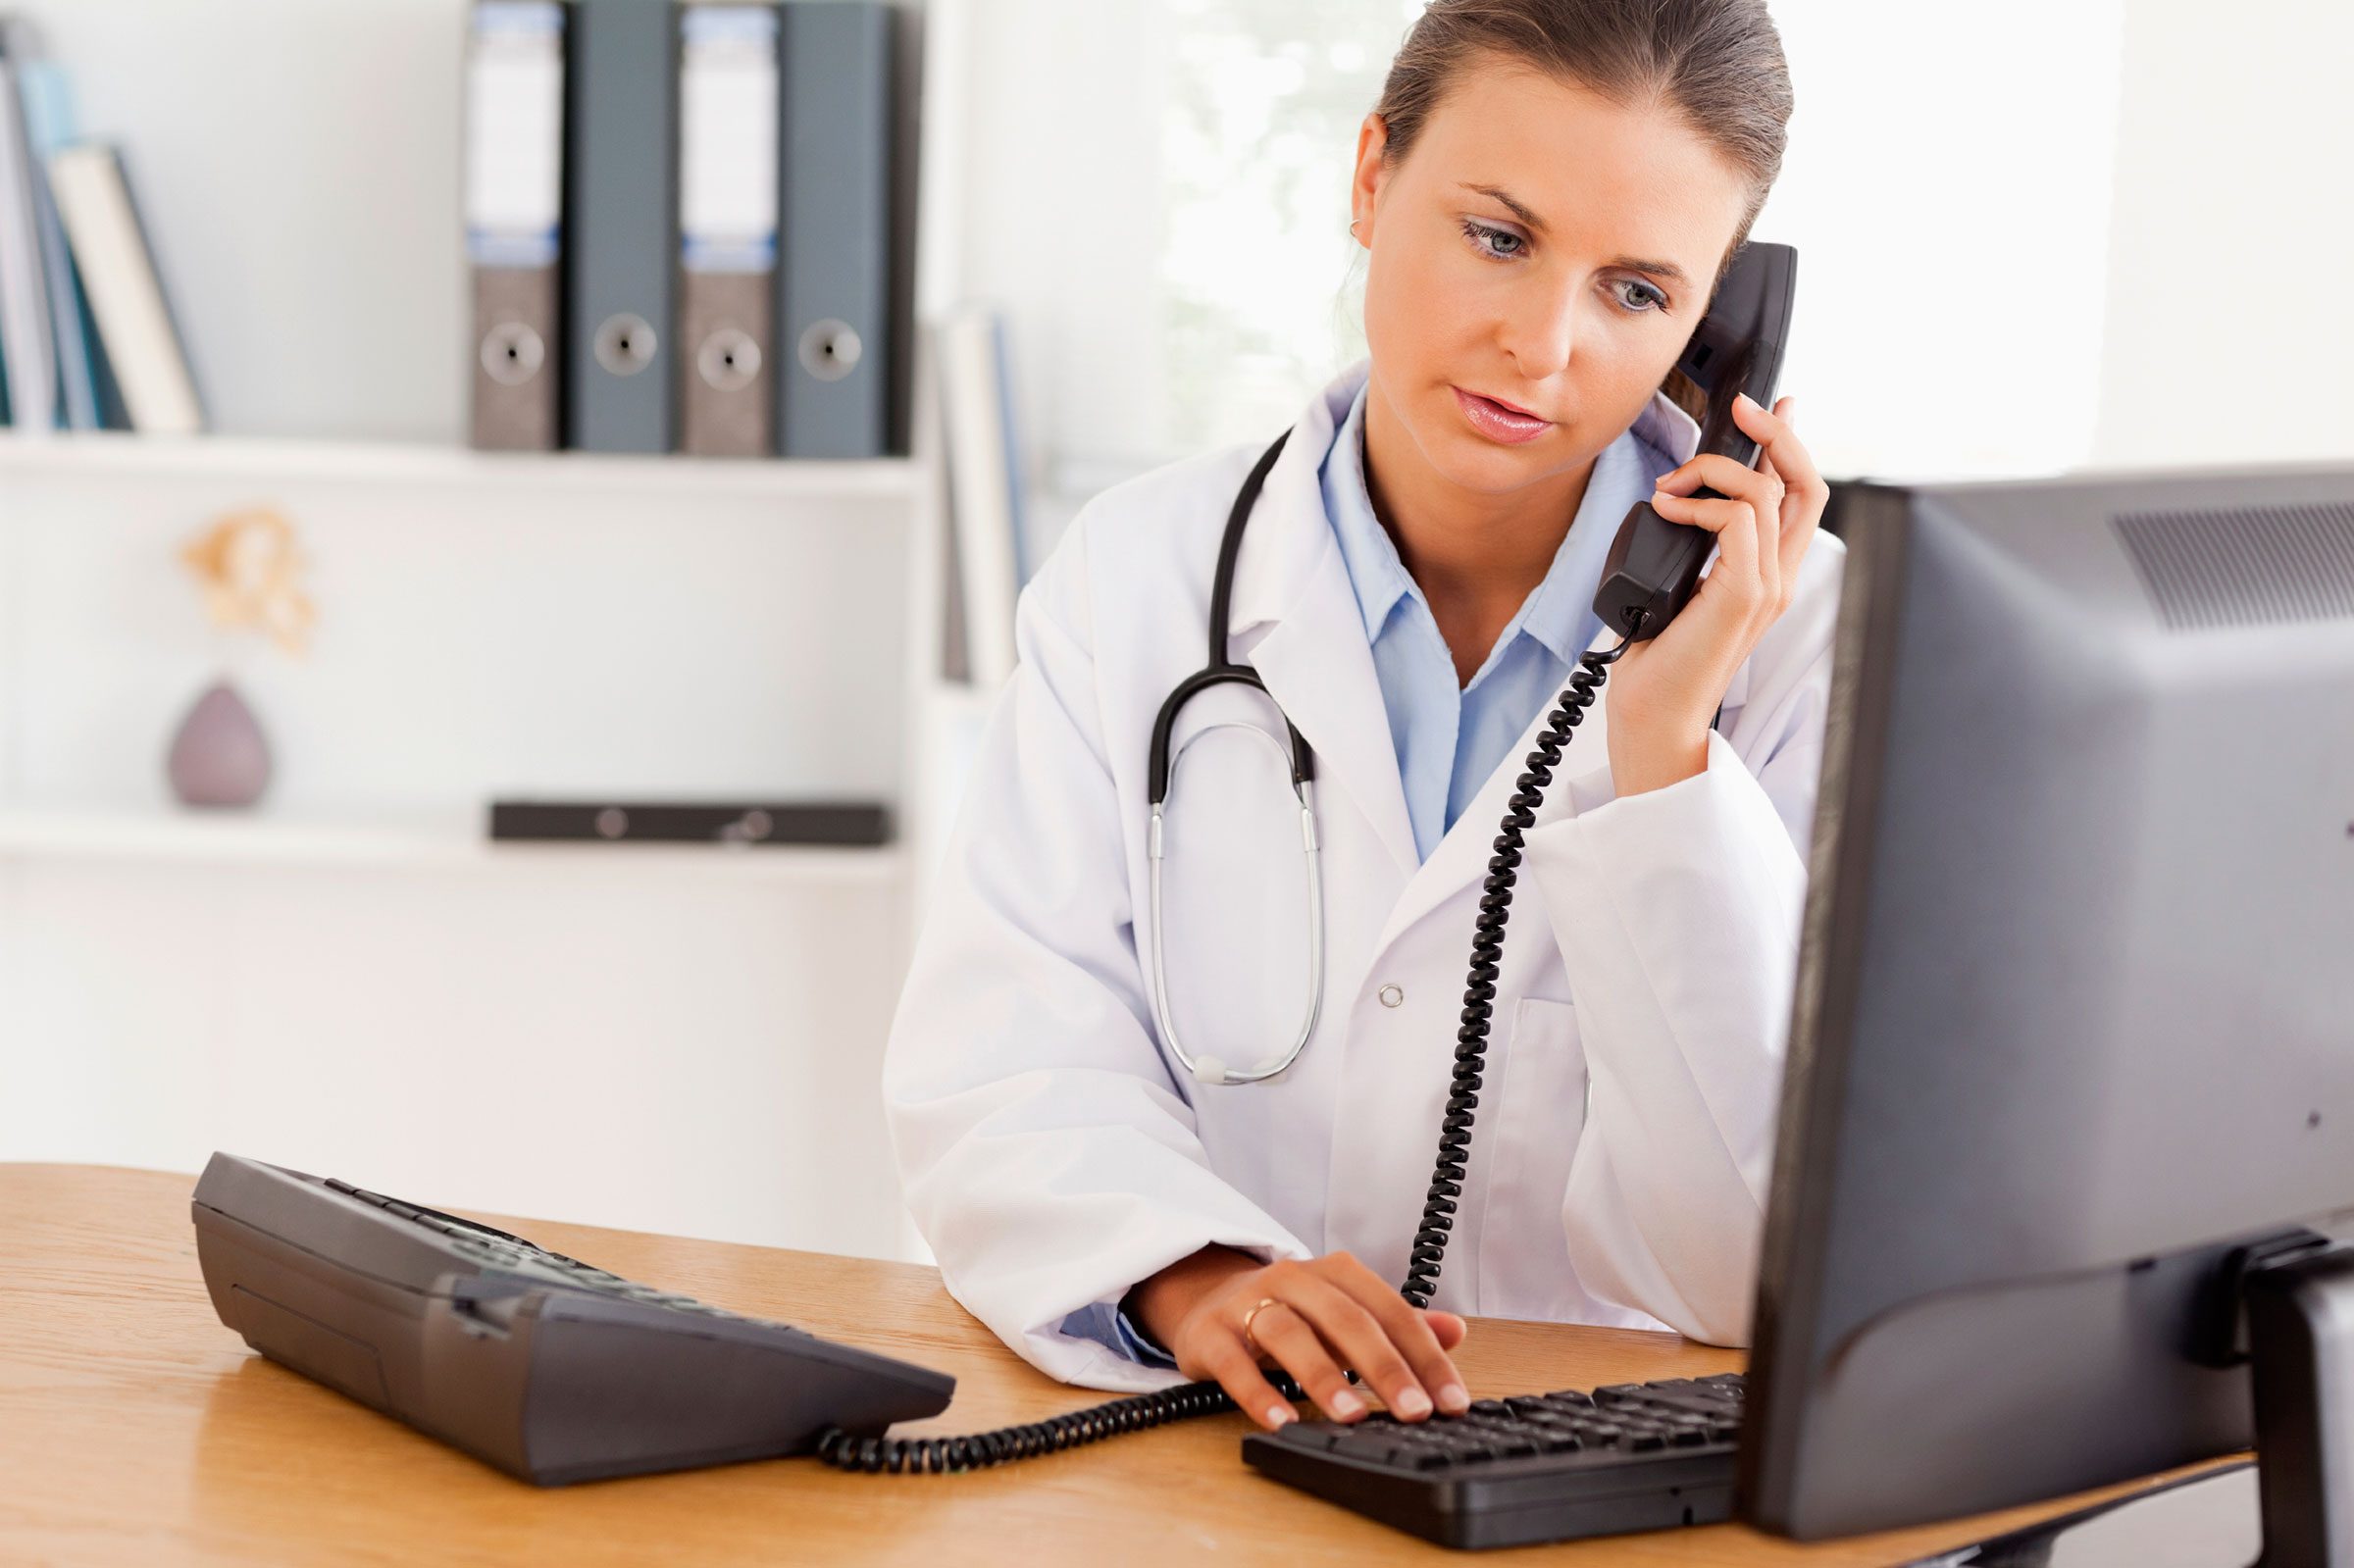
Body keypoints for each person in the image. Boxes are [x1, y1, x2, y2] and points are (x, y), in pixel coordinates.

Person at [884, 0, 1838, 1439]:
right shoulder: (1136, 576)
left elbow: (1758, 1264)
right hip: (1217, 1462)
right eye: (1500, 236)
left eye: (1637, 292)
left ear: (1721, 332)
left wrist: (1667, 754)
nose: (1541, 343)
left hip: (1621, 1485)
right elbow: (1006, 1060)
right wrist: (1201, 1279)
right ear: (1371, 180)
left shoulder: (1808, 638)